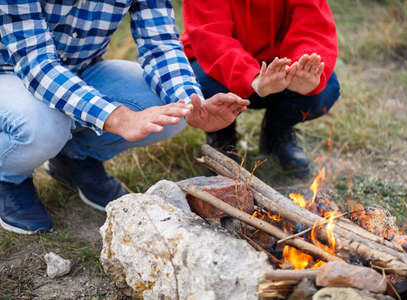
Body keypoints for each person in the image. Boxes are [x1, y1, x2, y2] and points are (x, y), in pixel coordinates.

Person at [0, 1, 249, 235]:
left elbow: (160, 46)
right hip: (10, 72)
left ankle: (74, 159)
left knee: (173, 109)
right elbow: (36, 62)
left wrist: (192, 103)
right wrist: (114, 116)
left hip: (80, 69)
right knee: (44, 126)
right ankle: (9, 177)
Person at [181, 0, 341, 178]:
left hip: (280, 64)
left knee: (325, 88)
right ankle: (222, 137)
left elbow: (313, 25)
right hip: (220, 64)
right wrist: (252, 77)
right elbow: (211, 36)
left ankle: (277, 132)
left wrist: (301, 70)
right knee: (200, 85)